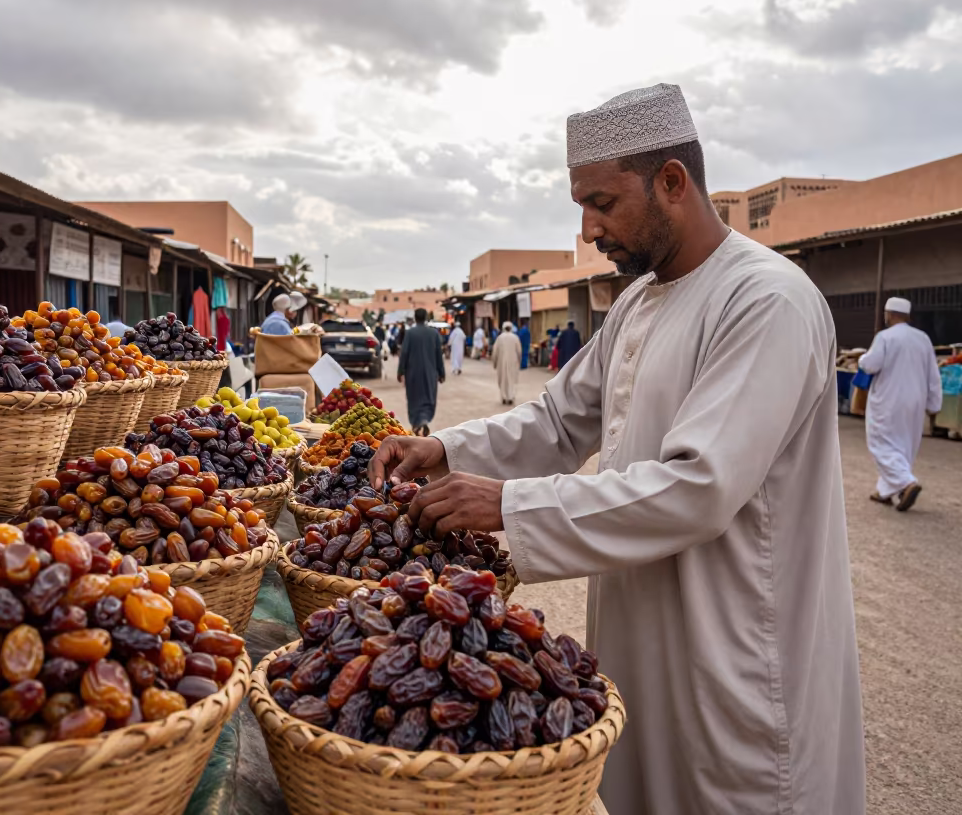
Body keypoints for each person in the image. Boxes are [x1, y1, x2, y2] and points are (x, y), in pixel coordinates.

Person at [368, 83, 864, 815]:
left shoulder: (765, 300)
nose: (589, 230)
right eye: (580, 208)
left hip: (736, 650)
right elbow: (558, 423)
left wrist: (507, 504)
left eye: (602, 203)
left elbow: (699, 486)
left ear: (672, 182)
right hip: (640, 636)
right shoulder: (635, 303)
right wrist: (443, 449)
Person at [858, 297, 943, 511]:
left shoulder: (885, 337)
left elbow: (870, 364)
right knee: (903, 445)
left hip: (889, 399)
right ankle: (885, 491)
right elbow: (933, 374)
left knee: (881, 442)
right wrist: (934, 404)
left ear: (889, 314)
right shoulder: (923, 338)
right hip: (915, 401)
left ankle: (907, 483)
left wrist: (861, 359)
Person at [397, 308, 444, 437]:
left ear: (416, 318)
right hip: (430, 373)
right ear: (426, 318)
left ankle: (417, 423)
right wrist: (441, 373)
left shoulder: (410, 333)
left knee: (414, 398)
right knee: (428, 397)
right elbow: (438, 355)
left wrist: (400, 371)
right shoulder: (433, 334)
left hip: (413, 373)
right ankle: (424, 420)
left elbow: (404, 354)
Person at [491, 321, 521, 405]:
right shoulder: (515, 338)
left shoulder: (499, 338)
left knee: (503, 380)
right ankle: (511, 397)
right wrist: (519, 361)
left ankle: (504, 397)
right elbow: (519, 351)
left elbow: (495, 352)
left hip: (502, 363)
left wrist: (494, 363)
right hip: (513, 363)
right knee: (511, 379)